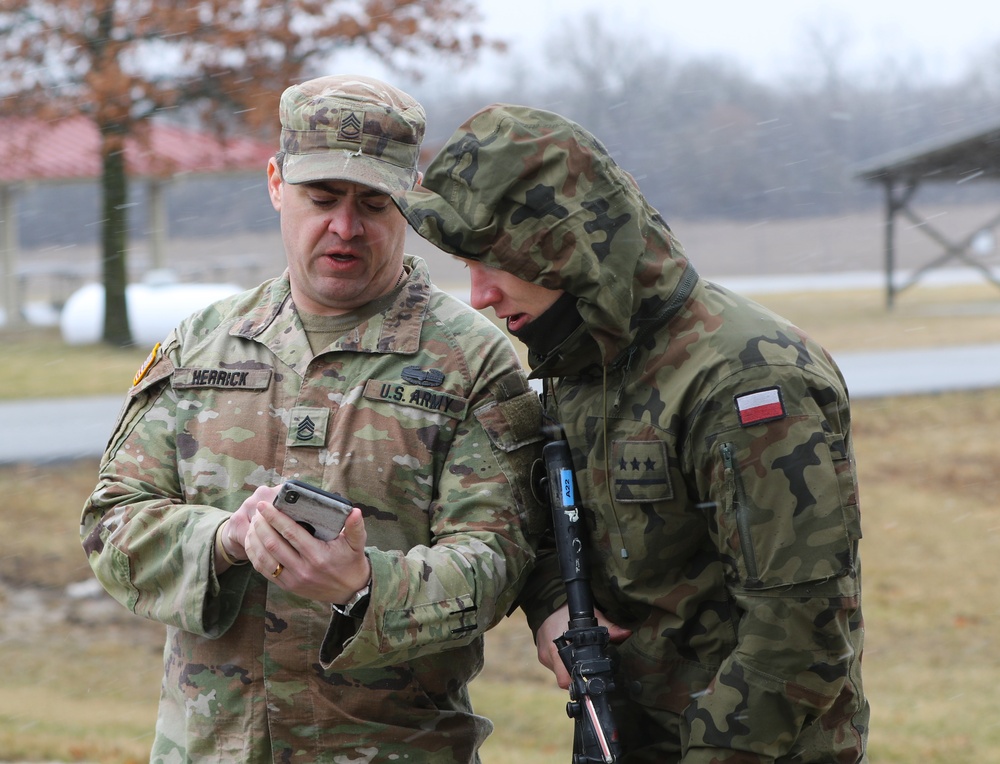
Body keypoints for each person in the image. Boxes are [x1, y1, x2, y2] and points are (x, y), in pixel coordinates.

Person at [79, 76, 547, 763]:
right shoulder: (201, 346)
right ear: (275, 183)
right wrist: (225, 538)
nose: (345, 227)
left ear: (410, 201)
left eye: (373, 203)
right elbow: (113, 521)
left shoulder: (471, 362)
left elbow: (499, 560)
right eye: (322, 198)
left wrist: (364, 586)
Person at [395, 104, 869, 763]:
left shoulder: (747, 380)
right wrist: (557, 607)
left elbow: (797, 642)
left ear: (562, 248)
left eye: (492, 262)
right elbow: (553, 526)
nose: (477, 295)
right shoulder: (585, 361)